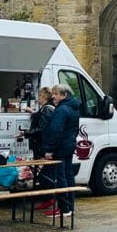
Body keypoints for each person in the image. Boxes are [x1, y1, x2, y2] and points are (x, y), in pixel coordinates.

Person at [43, 84, 81, 219]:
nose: (53, 96)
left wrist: (49, 149)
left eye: (56, 93)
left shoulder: (62, 109)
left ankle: (63, 208)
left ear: (64, 95)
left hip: (60, 147)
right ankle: (70, 207)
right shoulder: (73, 108)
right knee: (69, 174)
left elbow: (56, 130)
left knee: (60, 176)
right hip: (69, 145)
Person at [27, 88, 57, 213]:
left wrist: (26, 133)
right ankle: (48, 199)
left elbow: (43, 129)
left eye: (39, 95)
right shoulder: (46, 108)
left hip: (45, 147)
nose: (38, 98)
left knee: (45, 175)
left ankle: (50, 199)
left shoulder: (47, 109)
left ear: (44, 96)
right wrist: (33, 112)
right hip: (44, 146)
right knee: (45, 173)